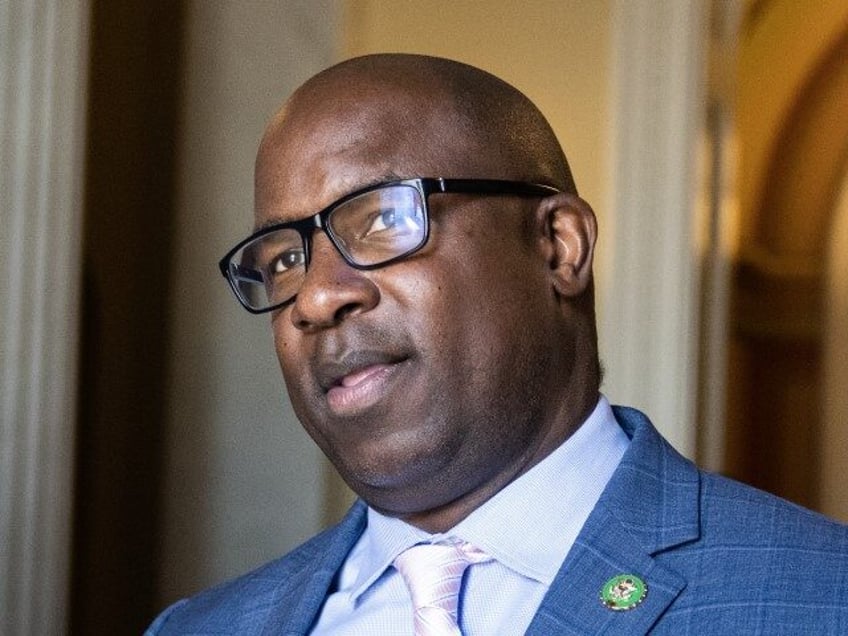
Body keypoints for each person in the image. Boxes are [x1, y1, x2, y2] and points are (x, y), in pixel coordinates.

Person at [146, 54, 848, 635]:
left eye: (384, 218)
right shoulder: (198, 628)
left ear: (558, 246)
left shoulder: (821, 599)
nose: (316, 297)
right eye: (281, 261)